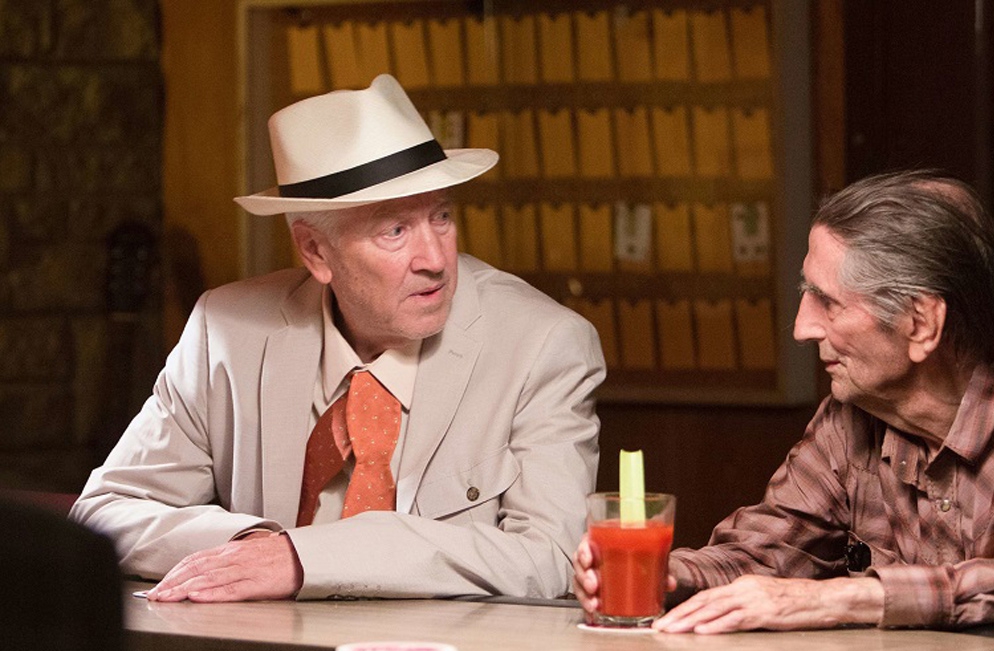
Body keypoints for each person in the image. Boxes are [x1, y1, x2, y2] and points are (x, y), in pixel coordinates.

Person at [71, 74, 605, 602]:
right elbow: (104, 513)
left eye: (441, 216)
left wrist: (307, 560)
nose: (436, 259)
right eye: (395, 230)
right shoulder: (227, 332)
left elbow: (552, 556)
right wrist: (251, 548)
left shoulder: (543, 344)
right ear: (315, 252)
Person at [575, 170, 994, 632]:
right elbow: (762, 555)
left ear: (921, 323)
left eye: (827, 302)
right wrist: (664, 576)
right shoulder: (852, 416)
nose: (802, 328)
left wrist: (854, 597)